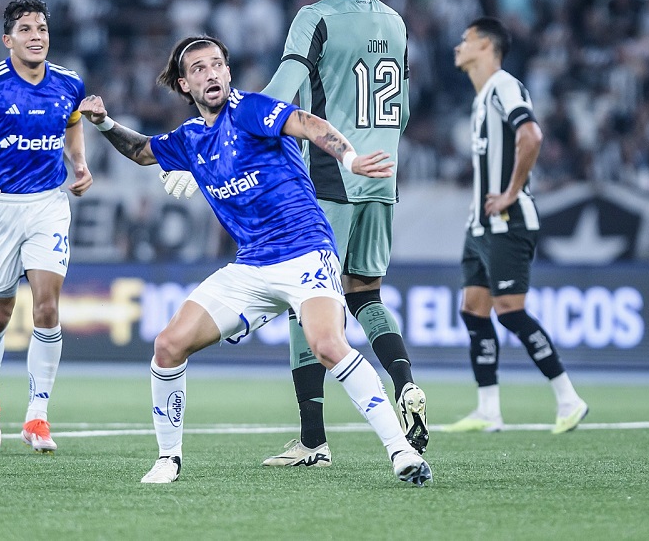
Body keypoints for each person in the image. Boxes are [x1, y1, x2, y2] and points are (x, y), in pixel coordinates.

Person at [81, 34, 431, 486]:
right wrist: (105, 122)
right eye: (199, 69)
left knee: (327, 345)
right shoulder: (190, 139)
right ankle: (168, 459)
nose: (211, 74)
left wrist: (349, 157)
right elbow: (143, 151)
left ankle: (400, 451)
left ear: (228, 72)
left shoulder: (248, 109)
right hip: (251, 267)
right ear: (185, 85)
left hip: (305, 250)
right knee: (168, 346)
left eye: (217, 65)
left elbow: (306, 122)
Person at [161, 0, 429, 465]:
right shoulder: (395, 21)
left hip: (332, 176)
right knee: (365, 295)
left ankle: (313, 438)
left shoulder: (315, 16)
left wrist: (217, 147)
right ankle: (405, 383)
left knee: (302, 304)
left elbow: (281, 96)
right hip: (382, 176)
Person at [0, 0, 92, 454]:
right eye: (27, 29)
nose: (37, 36)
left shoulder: (69, 83)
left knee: (47, 309)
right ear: (8, 39)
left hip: (48, 205)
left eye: (43, 29)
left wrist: (80, 163)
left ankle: (37, 416)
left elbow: (72, 123)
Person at [446, 16, 588, 434]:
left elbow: (532, 135)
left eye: (466, 38)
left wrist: (510, 192)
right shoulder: (481, 98)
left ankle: (569, 398)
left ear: (487, 47)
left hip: (508, 220)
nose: (458, 45)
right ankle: (488, 410)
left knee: (509, 311)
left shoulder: (505, 85)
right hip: (481, 226)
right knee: (474, 310)